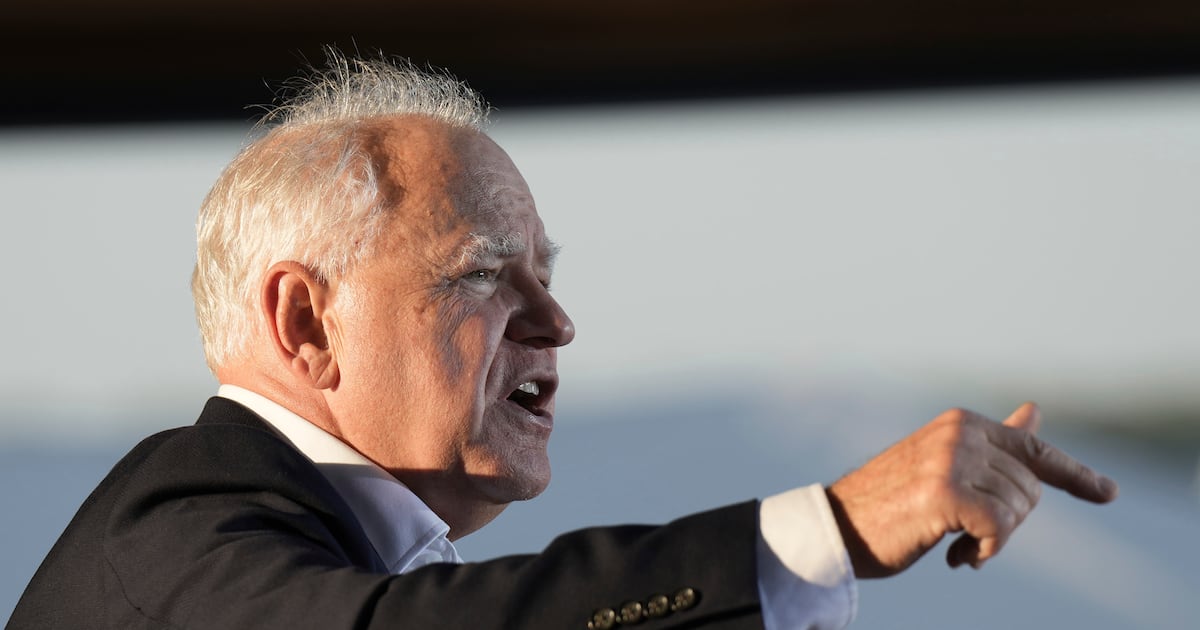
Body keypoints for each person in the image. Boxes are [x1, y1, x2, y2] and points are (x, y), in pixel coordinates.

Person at [7, 53, 1118, 630]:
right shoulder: (175, 534)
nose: (556, 323)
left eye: (548, 273)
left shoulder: (331, 549)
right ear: (306, 322)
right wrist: (827, 533)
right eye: (483, 274)